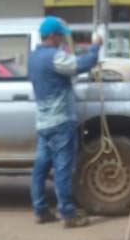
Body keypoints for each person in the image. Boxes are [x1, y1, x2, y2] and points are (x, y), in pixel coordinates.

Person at [28, 17, 102, 228]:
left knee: (40, 168)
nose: (62, 39)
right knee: (62, 168)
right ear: (52, 36)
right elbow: (83, 64)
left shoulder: (34, 57)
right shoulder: (54, 57)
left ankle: (41, 210)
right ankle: (68, 214)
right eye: (60, 35)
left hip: (43, 122)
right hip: (61, 121)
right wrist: (95, 46)